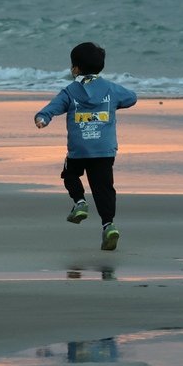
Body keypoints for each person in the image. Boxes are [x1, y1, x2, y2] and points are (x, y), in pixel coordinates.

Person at [34, 42, 136, 250]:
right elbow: (132, 98)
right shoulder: (111, 89)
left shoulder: (70, 92)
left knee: (69, 174)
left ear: (75, 69)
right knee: (103, 188)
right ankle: (108, 225)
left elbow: (50, 109)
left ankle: (80, 202)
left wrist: (42, 118)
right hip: (104, 150)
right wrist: (112, 104)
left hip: (79, 150)